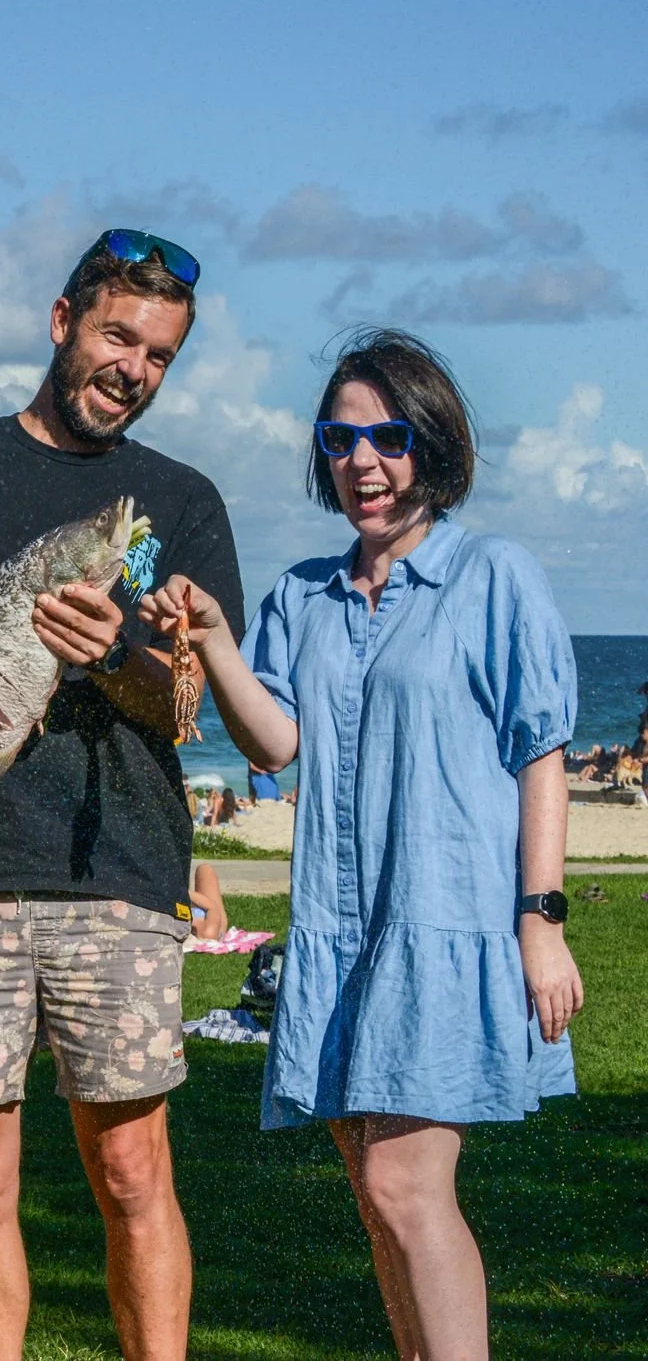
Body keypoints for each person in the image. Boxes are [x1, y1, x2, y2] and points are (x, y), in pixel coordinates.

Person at [141, 328, 582, 1358]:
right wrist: (210, 639)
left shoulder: (492, 575)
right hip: (339, 936)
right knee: (371, 1192)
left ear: (429, 444)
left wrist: (541, 917)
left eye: (385, 436)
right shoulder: (302, 593)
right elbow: (274, 740)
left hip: (449, 924)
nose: (361, 463)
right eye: (339, 440)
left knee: (403, 1183)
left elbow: (541, 754)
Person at [0, 229, 243, 1360]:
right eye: (118, 335)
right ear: (62, 320)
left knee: (129, 1169)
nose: (134, 368)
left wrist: (117, 652)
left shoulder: (181, 500)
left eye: (159, 355)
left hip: (115, 871)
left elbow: (184, 707)